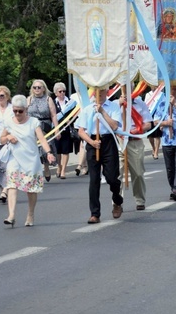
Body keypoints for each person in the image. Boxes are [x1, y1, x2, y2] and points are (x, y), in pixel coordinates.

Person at [0, 95, 56, 227]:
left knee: (31, 189)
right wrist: (8, 136)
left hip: (31, 160)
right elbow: (1, 139)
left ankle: (30, 214)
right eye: (15, 111)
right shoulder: (9, 122)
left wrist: (49, 153)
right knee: (12, 185)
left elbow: (42, 139)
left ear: (26, 109)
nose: (17, 114)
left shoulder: (33, 122)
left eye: (20, 111)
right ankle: (11, 215)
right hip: (15, 159)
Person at [76, 88, 123, 224]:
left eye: (101, 91)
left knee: (112, 178)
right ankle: (95, 213)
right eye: (96, 91)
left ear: (106, 92)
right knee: (94, 179)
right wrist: (91, 142)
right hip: (93, 142)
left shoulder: (113, 106)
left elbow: (114, 126)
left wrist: (102, 112)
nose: (99, 94)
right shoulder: (88, 108)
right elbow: (81, 130)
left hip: (108, 141)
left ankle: (117, 199)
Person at [119, 92, 153, 211]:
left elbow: (148, 124)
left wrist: (137, 130)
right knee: (116, 174)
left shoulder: (140, 104)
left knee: (138, 173)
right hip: (119, 141)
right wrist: (119, 104)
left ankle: (140, 200)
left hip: (135, 141)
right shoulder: (114, 104)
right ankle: (117, 202)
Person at [155, 84, 176, 202]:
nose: (173, 91)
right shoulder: (162, 103)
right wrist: (165, 123)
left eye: (175, 89)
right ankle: (173, 187)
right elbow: (155, 121)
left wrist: (175, 103)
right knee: (170, 169)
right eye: (171, 89)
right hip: (167, 141)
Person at [27, 79, 59, 182]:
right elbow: (25, 114)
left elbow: (53, 115)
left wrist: (57, 129)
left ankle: (46, 167)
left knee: (46, 148)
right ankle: (35, 171)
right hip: (32, 126)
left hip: (45, 126)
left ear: (43, 89)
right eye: (34, 87)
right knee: (34, 150)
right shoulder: (29, 99)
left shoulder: (48, 99)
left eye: (39, 87)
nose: (36, 89)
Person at [52, 82, 75, 179]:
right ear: (56, 93)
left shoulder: (70, 102)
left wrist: (71, 119)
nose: (62, 93)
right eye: (60, 91)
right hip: (56, 128)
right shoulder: (53, 102)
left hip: (67, 129)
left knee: (65, 150)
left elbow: (75, 114)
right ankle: (59, 166)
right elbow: (51, 116)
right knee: (57, 150)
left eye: (64, 91)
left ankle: (63, 171)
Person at [145, 85, 163, 159]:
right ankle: (153, 147)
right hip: (150, 115)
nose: (153, 87)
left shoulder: (161, 94)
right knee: (150, 136)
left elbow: (163, 106)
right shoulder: (148, 94)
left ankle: (156, 152)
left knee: (157, 135)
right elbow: (145, 105)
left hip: (158, 116)